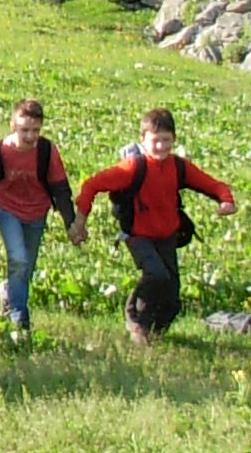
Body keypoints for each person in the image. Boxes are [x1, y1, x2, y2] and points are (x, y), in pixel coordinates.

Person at [77, 109, 235, 343]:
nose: (161, 146)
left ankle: (153, 334)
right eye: (155, 140)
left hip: (167, 236)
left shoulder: (179, 167)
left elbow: (212, 184)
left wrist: (226, 201)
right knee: (156, 274)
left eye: (166, 140)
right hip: (137, 236)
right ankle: (134, 318)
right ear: (143, 140)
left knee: (172, 300)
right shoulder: (132, 168)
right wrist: (80, 221)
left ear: (174, 139)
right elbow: (91, 185)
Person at [0, 98, 84, 338]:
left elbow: (61, 188)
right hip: (8, 211)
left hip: (38, 213)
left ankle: (8, 292)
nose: (30, 136)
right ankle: (19, 317)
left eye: (35, 130)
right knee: (18, 260)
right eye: (24, 130)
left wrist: (71, 224)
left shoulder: (47, 151)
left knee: (27, 266)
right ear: (12, 125)